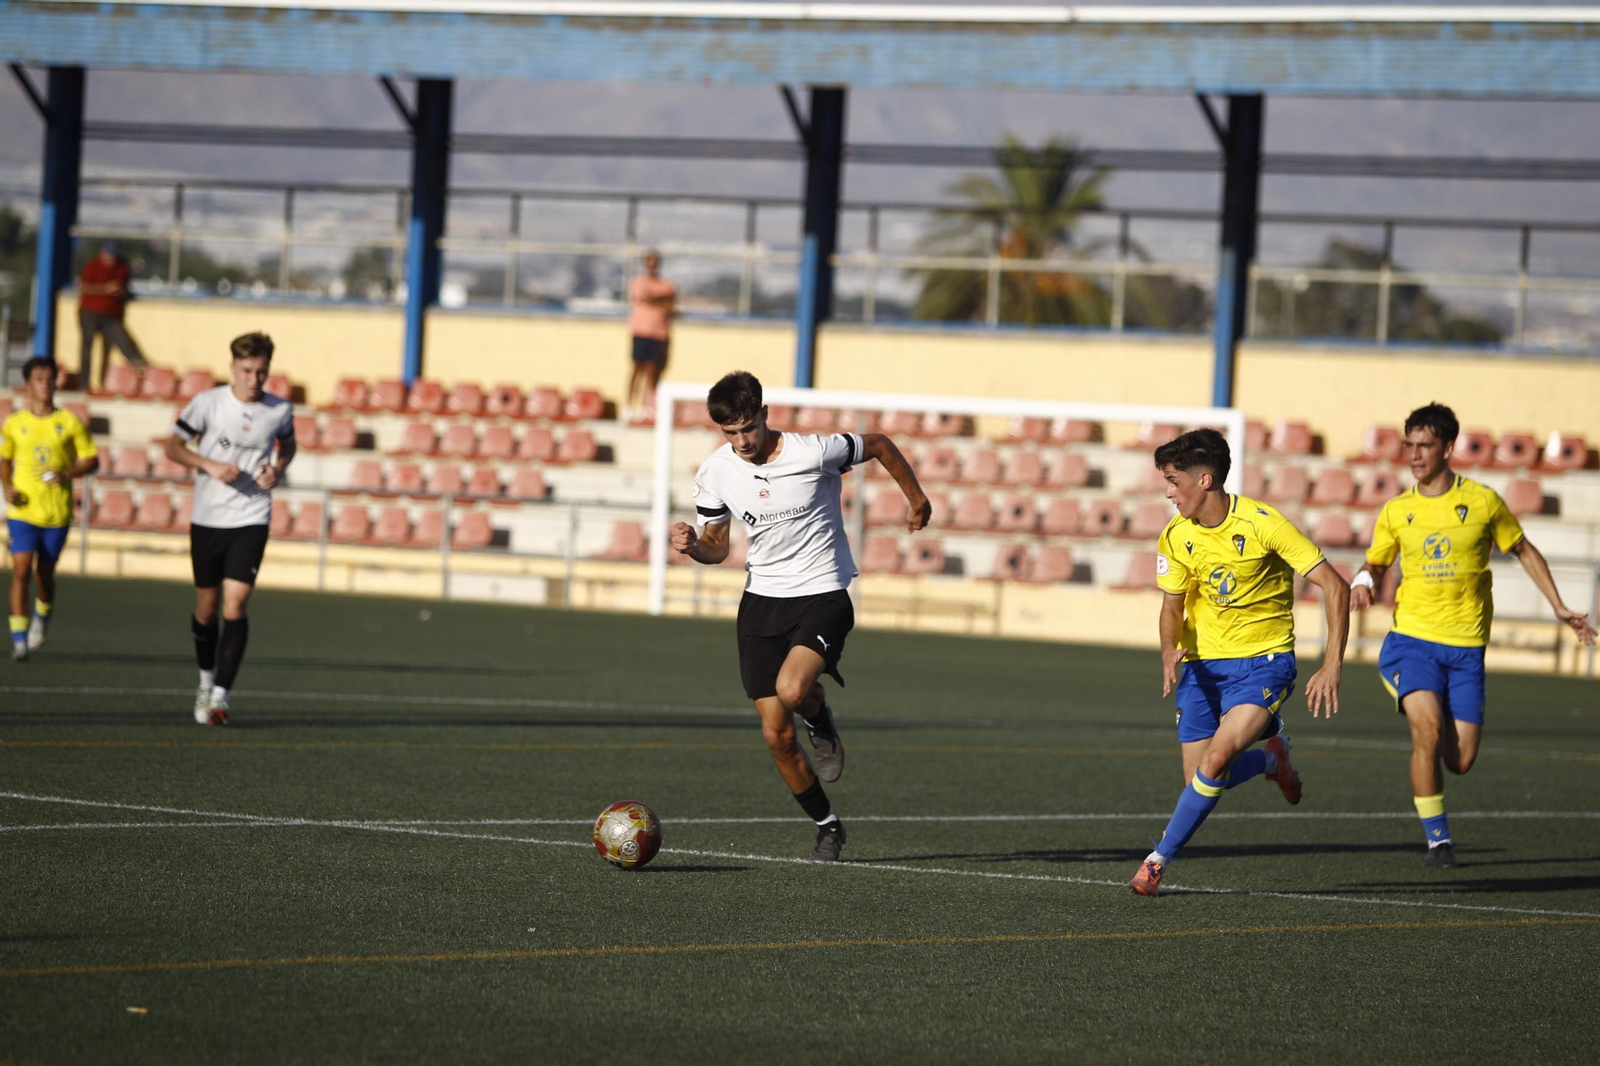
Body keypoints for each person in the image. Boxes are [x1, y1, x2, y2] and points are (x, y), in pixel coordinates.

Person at [670, 371, 931, 861]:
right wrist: (692, 547)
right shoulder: (715, 473)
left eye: (749, 427)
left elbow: (878, 443)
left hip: (823, 593)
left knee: (792, 691)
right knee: (775, 735)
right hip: (761, 602)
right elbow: (717, 548)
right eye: (731, 433)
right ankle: (828, 826)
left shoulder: (813, 451)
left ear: (765, 414)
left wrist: (916, 499)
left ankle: (817, 713)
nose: (742, 441)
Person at [1351, 403, 1595, 867]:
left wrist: (1559, 605)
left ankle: (1438, 730)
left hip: (1465, 650)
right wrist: (1364, 581)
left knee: (1460, 761)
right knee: (1427, 730)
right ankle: (1438, 841)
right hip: (1411, 642)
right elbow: (1376, 560)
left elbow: (1523, 549)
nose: (1415, 454)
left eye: (1424, 445)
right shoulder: (1397, 510)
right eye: (1409, 444)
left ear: (1448, 447)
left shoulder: (1482, 501)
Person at [1130, 428, 1349, 897]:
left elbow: (1335, 585)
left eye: (1173, 481)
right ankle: (1273, 759)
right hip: (1204, 670)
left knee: (1215, 759)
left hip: (1264, 665)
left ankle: (1157, 860)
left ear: (1204, 480)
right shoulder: (1175, 535)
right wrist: (1169, 649)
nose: (1168, 492)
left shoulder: (1264, 523)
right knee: (1204, 780)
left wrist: (1332, 664)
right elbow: (1172, 606)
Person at [163, 332, 295, 725]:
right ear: (233, 368)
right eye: (247, 370)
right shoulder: (208, 403)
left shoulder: (280, 409)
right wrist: (209, 464)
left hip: (251, 516)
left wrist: (278, 469)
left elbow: (288, 446)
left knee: (235, 604)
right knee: (206, 610)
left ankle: (220, 696)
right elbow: (173, 447)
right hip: (208, 517)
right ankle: (206, 681)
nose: (255, 379)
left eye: (262, 371)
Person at [0, 357, 100, 661]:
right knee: (20, 570)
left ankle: (41, 619)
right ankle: (19, 641)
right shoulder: (15, 423)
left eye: (49, 378)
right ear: (28, 385)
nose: (45, 383)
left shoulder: (69, 422)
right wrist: (7, 486)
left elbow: (91, 460)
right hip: (22, 511)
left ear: (56, 383)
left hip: (56, 514)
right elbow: (4, 460)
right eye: (39, 378)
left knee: (44, 574)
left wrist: (67, 473)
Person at [77, 241, 151, 390]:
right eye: (109, 255)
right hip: (90, 313)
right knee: (87, 349)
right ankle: (84, 384)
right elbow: (84, 287)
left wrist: (120, 291)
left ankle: (146, 379)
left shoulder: (122, 266)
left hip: (111, 316)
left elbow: (126, 287)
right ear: (102, 253)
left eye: (113, 256)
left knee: (125, 344)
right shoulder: (92, 265)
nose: (111, 259)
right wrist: (106, 289)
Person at [624, 250, 675, 424]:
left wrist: (656, 299)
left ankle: (649, 409)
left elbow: (670, 303)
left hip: (659, 334)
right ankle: (630, 408)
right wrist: (661, 299)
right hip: (640, 332)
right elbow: (644, 297)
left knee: (653, 372)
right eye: (649, 262)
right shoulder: (637, 282)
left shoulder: (667, 284)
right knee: (637, 369)